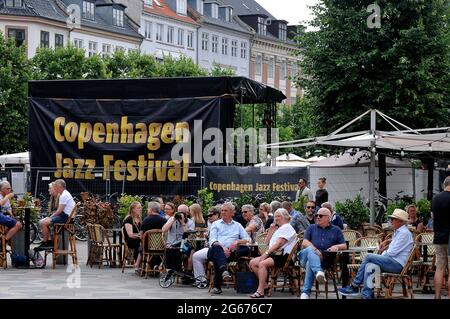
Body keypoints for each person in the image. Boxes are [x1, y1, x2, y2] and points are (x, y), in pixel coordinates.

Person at [339, 208, 414, 299]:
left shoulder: (404, 233)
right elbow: (393, 248)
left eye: (393, 219)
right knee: (370, 265)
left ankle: (355, 286)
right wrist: (388, 243)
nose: (391, 221)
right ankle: (368, 295)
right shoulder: (399, 232)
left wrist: (381, 254)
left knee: (368, 256)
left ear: (400, 221)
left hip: (397, 265)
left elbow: (392, 252)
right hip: (393, 262)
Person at [193, 202, 250, 295]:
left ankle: (217, 286)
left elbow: (248, 239)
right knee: (216, 248)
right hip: (217, 249)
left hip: (230, 252)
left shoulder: (238, 225)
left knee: (218, 259)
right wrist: (223, 248)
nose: (223, 212)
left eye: (226, 210)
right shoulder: (216, 224)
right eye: (222, 210)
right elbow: (212, 240)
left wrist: (237, 242)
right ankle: (224, 270)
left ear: (232, 213)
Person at [249, 208, 297, 298]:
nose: (276, 218)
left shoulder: (287, 227)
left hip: (284, 256)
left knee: (262, 264)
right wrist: (271, 230)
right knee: (253, 263)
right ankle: (265, 285)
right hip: (275, 255)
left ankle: (260, 291)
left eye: (278, 216)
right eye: (275, 216)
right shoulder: (279, 229)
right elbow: (266, 243)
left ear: (285, 217)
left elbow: (279, 244)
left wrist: (266, 253)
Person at [299, 207, 346, 299]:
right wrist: (316, 251)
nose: (317, 217)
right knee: (309, 250)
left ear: (328, 218)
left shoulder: (336, 230)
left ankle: (305, 293)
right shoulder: (311, 227)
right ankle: (318, 271)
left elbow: (344, 245)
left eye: (320, 215)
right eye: (316, 215)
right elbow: (304, 242)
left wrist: (336, 246)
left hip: (324, 260)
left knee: (310, 262)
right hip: (305, 256)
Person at [38, 179, 75, 248]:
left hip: (66, 217)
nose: (54, 188)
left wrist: (50, 217)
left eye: (55, 186)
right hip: (66, 216)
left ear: (59, 187)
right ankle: (48, 241)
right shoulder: (64, 194)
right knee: (44, 222)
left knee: (44, 223)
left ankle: (47, 242)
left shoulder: (63, 195)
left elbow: (59, 211)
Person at [431, 176, 450, 299]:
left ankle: (437, 297)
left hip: (438, 237)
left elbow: (433, 216)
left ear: (444, 184)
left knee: (440, 268)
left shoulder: (435, 198)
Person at [122, 201, 142, 273]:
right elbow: (130, 235)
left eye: (140, 208)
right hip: (130, 240)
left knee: (146, 244)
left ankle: (145, 265)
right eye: (138, 208)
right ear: (133, 209)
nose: (140, 209)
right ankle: (138, 266)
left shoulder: (139, 218)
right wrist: (140, 236)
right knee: (139, 245)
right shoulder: (129, 219)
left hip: (137, 239)